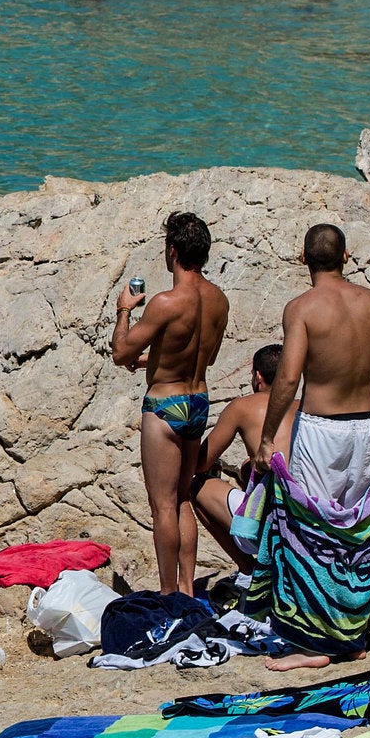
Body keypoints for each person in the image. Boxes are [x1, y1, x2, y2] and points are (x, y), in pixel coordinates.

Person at [247, 223, 370, 669]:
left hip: (321, 429)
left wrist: (267, 439)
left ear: (303, 259)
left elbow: (286, 378)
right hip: (364, 430)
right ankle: (351, 635)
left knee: (308, 533)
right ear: (346, 257)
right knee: (351, 535)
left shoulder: (302, 308)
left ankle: (313, 645)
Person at [110, 211, 230, 595]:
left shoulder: (165, 302)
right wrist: (150, 359)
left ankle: (167, 595)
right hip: (197, 402)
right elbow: (202, 356)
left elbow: (119, 351)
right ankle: (187, 588)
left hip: (165, 406)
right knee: (182, 499)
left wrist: (125, 309)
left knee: (161, 506)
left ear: (173, 251)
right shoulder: (219, 300)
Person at [190, 343, 290, 575]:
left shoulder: (242, 407)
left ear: (257, 376)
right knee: (247, 469)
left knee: (198, 487)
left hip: (272, 525)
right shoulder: (304, 406)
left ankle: (249, 569)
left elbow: (200, 464)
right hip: (307, 519)